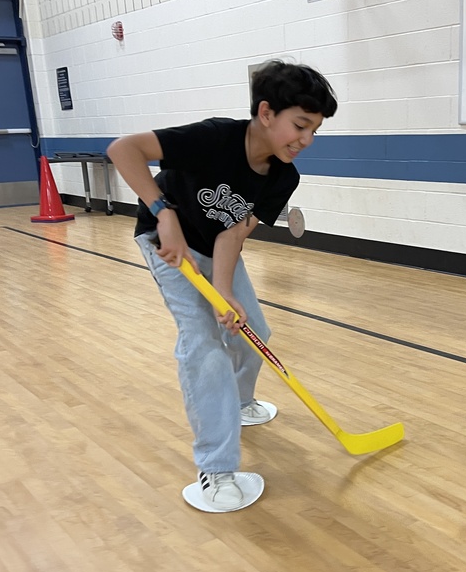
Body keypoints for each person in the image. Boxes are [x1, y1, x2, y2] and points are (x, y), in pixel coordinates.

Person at [106, 60, 338, 510]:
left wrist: (226, 291)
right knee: (204, 345)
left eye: (314, 131)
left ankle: (240, 403)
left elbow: (232, 231)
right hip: (167, 245)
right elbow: (123, 150)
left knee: (254, 334)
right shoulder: (214, 138)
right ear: (267, 112)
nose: (306, 141)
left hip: (215, 247)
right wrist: (164, 213)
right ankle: (216, 468)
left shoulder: (283, 176)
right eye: (300, 126)